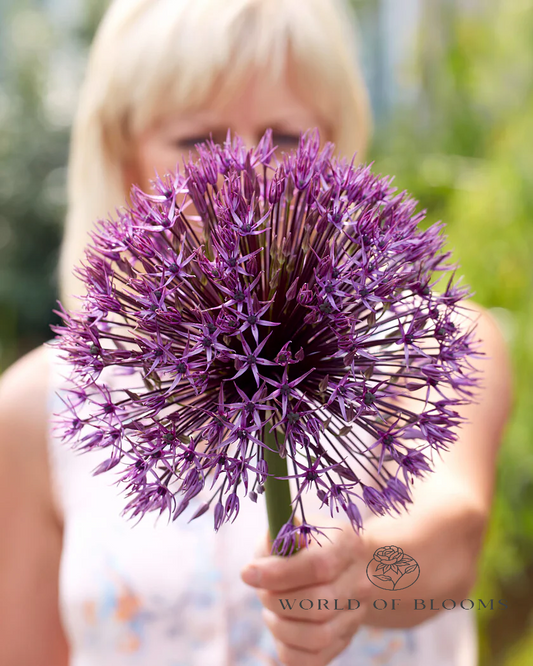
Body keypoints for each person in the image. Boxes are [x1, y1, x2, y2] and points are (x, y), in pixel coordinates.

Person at [0, 1, 512, 665]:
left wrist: (359, 576)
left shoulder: (432, 338)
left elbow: (453, 542)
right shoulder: (41, 406)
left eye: (288, 136)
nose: (248, 174)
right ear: (125, 160)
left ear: (336, 148)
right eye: (196, 140)